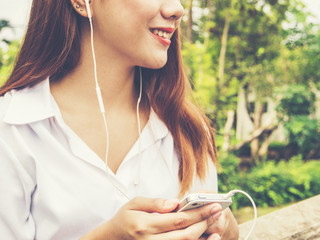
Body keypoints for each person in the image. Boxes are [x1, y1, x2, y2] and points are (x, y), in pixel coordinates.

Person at [0, 0, 239, 239]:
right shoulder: (11, 127)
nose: (176, 9)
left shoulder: (188, 128)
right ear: (81, 3)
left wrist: (226, 231)